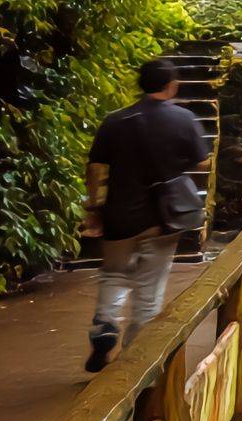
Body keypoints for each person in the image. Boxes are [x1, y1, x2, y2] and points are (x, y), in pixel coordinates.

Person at [84, 57, 210, 373]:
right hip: (163, 217)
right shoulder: (184, 119)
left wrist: (94, 209)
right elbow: (203, 163)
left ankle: (106, 323)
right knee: (150, 290)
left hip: (120, 214)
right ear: (172, 85)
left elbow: (96, 168)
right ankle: (134, 359)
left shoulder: (115, 121)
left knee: (114, 273)